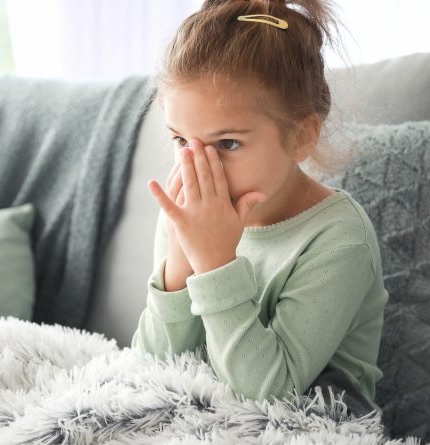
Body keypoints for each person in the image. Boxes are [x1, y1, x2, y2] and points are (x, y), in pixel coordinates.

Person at [131, 0, 389, 422]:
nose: (199, 168)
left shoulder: (340, 235)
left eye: (227, 144)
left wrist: (214, 264)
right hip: (206, 416)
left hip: (315, 422)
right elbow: (148, 369)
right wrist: (180, 266)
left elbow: (270, 395)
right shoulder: (184, 213)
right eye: (181, 141)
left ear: (302, 137)